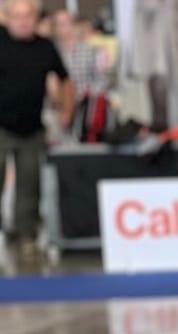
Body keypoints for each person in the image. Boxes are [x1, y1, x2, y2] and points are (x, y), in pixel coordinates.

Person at [0, 0, 73, 257]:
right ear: (6, 18)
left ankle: (25, 234)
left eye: (28, 16)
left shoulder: (44, 47)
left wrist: (66, 110)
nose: (23, 21)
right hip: (1, 125)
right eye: (17, 16)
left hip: (32, 126)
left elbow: (64, 79)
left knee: (30, 183)